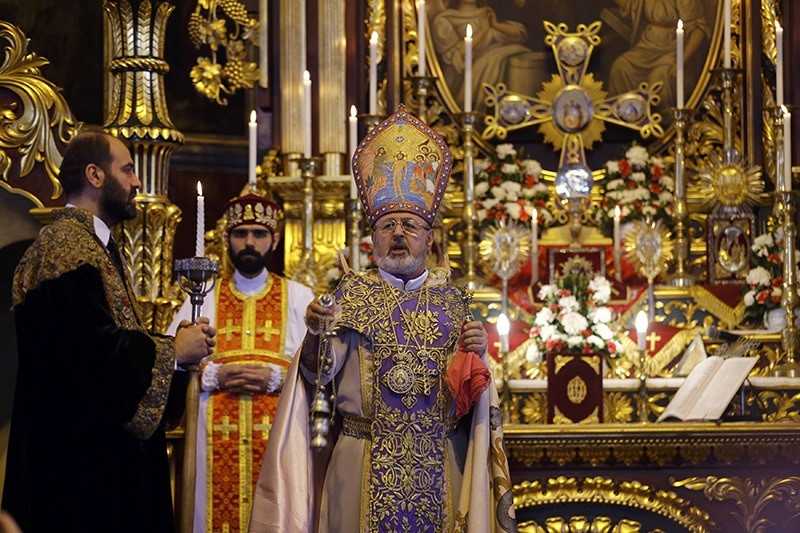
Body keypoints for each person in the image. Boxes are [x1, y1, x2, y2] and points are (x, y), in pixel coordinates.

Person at [248, 108, 517, 532]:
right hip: (361, 459)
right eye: (387, 224)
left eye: (410, 225)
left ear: (430, 238)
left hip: (440, 461)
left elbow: (472, 404)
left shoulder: (454, 305)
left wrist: (478, 359)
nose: (397, 234)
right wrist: (317, 334)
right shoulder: (348, 297)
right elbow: (317, 380)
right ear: (371, 238)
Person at [2, 130, 217, 532]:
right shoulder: (67, 250)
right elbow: (97, 355)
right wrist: (174, 351)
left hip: (85, 466)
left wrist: (169, 348)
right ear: (95, 175)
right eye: (128, 169)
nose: (137, 182)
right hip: (81, 477)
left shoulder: (88, 246)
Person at [167, 192, 314, 533]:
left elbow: (319, 367)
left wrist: (277, 378)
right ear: (227, 239)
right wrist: (214, 374)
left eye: (259, 234)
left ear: (274, 239)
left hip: (277, 436)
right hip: (213, 437)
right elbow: (171, 358)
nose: (249, 242)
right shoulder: (202, 297)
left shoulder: (298, 296)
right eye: (240, 233)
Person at [608, 0, 710, 109]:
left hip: (673, 50)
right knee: (620, 67)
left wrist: (681, 62)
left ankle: (663, 121)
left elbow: (699, 30)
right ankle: (626, 116)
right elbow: (631, 5)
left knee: (657, 80)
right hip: (646, 47)